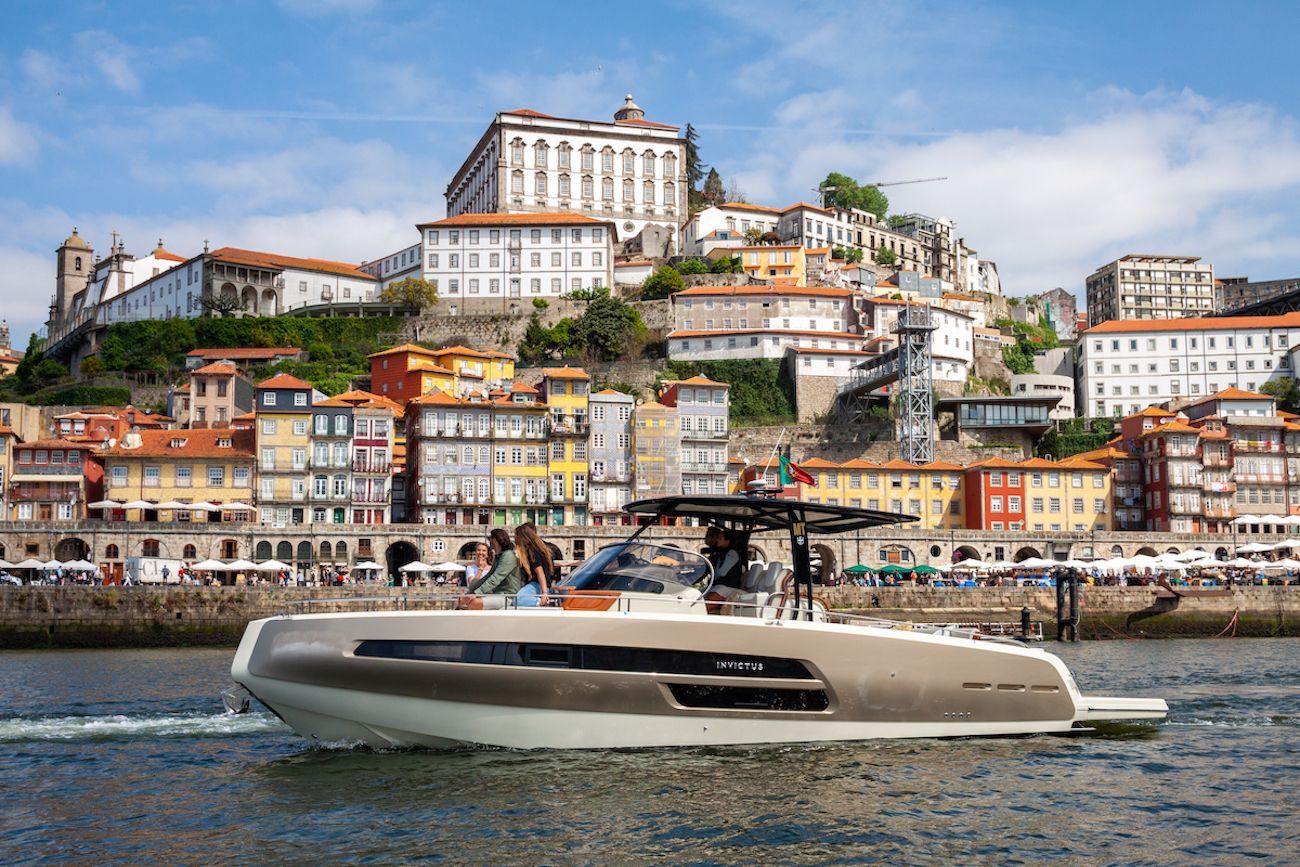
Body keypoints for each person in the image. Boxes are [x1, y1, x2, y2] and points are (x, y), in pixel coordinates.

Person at [458, 529, 522, 609]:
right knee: (462, 601)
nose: (489, 542)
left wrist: (476, 593)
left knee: (475, 603)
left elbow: (495, 578)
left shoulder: (508, 556)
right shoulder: (499, 557)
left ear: (494, 540)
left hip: (508, 596)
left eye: (490, 539)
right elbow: (487, 577)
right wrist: (470, 591)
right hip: (497, 594)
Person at [702, 526, 745, 615]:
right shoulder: (721, 553)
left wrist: (711, 574)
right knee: (704, 591)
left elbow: (722, 572)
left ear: (727, 541)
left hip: (729, 586)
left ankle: (700, 612)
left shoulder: (732, 553)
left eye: (720, 538)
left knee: (717, 591)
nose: (717, 540)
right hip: (720, 585)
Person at [514, 523, 556, 607]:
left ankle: (542, 602)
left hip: (538, 585)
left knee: (517, 599)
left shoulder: (533, 552)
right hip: (541, 585)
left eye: (517, 536)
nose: (515, 539)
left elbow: (539, 572)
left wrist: (544, 593)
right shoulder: (539, 549)